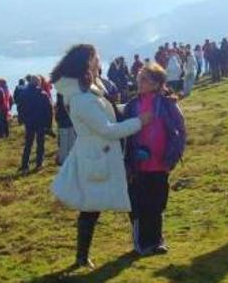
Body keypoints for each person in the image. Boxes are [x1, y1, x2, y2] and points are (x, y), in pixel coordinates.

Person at [49, 44, 153, 269]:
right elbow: (106, 129)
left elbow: (109, 115)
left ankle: (139, 243)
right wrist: (139, 122)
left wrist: (133, 107)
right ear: (87, 62)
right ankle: (137, 245)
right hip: (99, 156)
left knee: (97, 205)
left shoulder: (87, 90)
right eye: (96, 57)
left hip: (100, 155)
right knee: (92, 207)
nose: (100, 60)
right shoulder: (81, 98)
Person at [122, 63, 187, 255]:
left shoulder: (168, 104)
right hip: (138, 166)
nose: (139, 82)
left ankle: (157, 241)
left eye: (145, 79)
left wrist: (172, 158)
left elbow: (180, 131)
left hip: (160, 164)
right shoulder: (132, 106)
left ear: (157, 84)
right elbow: (124, 133)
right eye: (139, 78)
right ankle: (141, 242)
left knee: (157, 203)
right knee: (139, 204)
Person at [18, 76, 53, 174]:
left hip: (29, 122)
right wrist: (49, 125)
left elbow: (20, 108)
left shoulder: (23, 93)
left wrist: (21, 119)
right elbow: (49, 110)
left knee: (28, 144)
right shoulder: (43, 94)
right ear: (38, 83)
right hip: (40, 122)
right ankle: (39, 163)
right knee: (40, 143)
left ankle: (24, 165)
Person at [55, 92, 76, 165]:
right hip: (71, 123)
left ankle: (63, 160)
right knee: (71, 142)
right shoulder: (70, 98)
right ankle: (72, 159)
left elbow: (57, 115)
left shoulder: (59, 105)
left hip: (62, 124)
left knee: (63, 143)